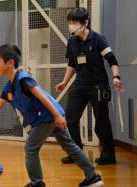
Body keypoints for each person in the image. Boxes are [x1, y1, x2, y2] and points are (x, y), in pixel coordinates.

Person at [0, 44, 104, 187]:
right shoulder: (9, 88)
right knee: (69, 146)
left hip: (47, 117)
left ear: (10, 63)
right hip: (51, 116)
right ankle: (92, 176)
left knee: (30, 149)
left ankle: (37, 184)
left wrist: (57, 116)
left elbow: (42, 96)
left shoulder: (23, 80)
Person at [56, 7, 124, 165]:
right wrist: (65, 82)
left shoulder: (98, 39)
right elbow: (72, 64)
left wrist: (116, 77)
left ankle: (108, 155)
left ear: (85, 23)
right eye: (70, 22)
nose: (71, 25)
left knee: (101, 121)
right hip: (80, 85)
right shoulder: (72, 41)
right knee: (70, 119)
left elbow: (112, 60)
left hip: (98, 85)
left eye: (74, 22)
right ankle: (75, 153)